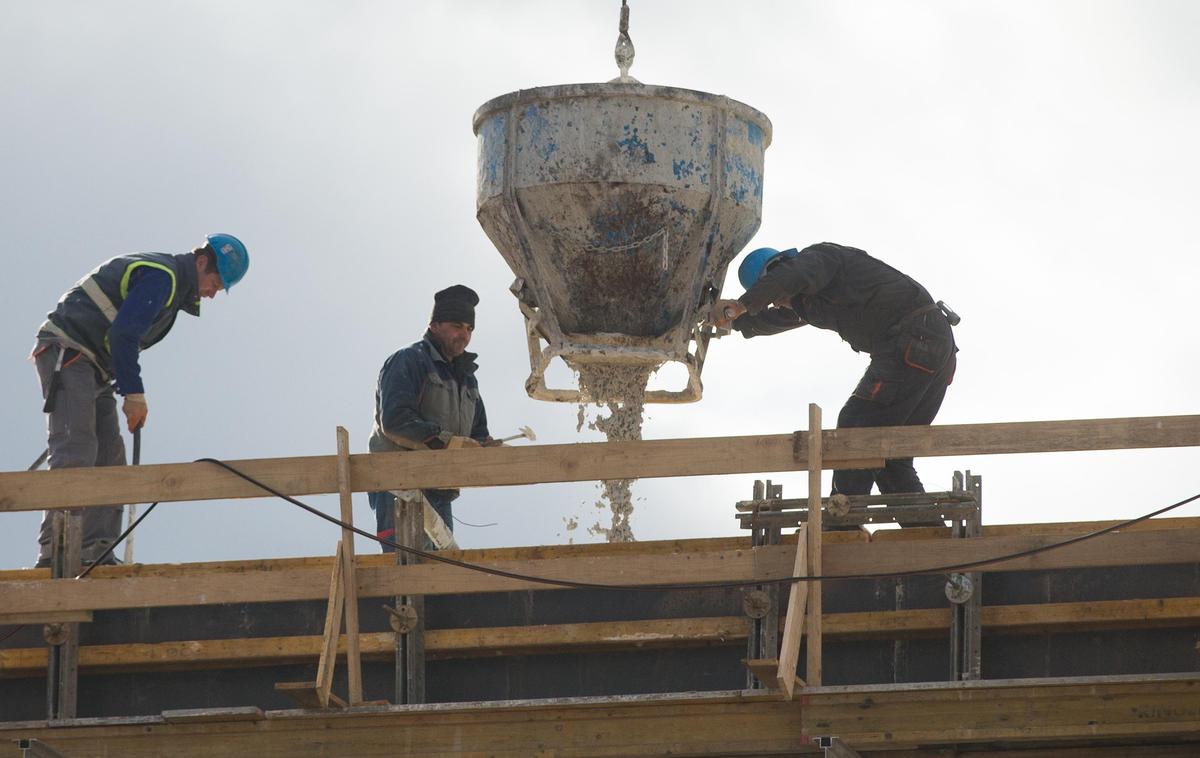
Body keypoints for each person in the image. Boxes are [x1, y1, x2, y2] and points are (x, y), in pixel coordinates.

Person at [32, 234, 250, 567]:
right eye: (216, 282)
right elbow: (123, 334)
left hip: (94, 366)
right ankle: (56, 553)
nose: (213, 293)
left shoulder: (170, 285)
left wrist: (128, 390)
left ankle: (95, 551)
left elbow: (120, 336)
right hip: (70, 351)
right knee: (76, 450)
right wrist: (134, 393)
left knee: (109, 457)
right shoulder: (163, 277)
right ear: (202, 262)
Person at [711, 242, 957, 511]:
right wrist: (735, 322)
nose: (776, 301)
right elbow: (778, 318)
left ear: (777, 270)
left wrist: (741, 305)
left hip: (913, 338)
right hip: (930, 347)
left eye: (773, 293)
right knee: (890, 453)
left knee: (856, 425)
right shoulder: (812, 299)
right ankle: (925, 531)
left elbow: (795, 275)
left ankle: (842, 520)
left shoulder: (820, 258)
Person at [368, 285, 493, 551]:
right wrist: (446, 443)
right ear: (435, 325)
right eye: (457, 326)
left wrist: (485, 446)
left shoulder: (467, 381)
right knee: (406, 572)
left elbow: (478, 433)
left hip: (441, 489)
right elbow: (395, 420)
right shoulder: (410, 360)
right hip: (399, 484)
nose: (465, 335)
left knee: (440, 575)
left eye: (470, 329)